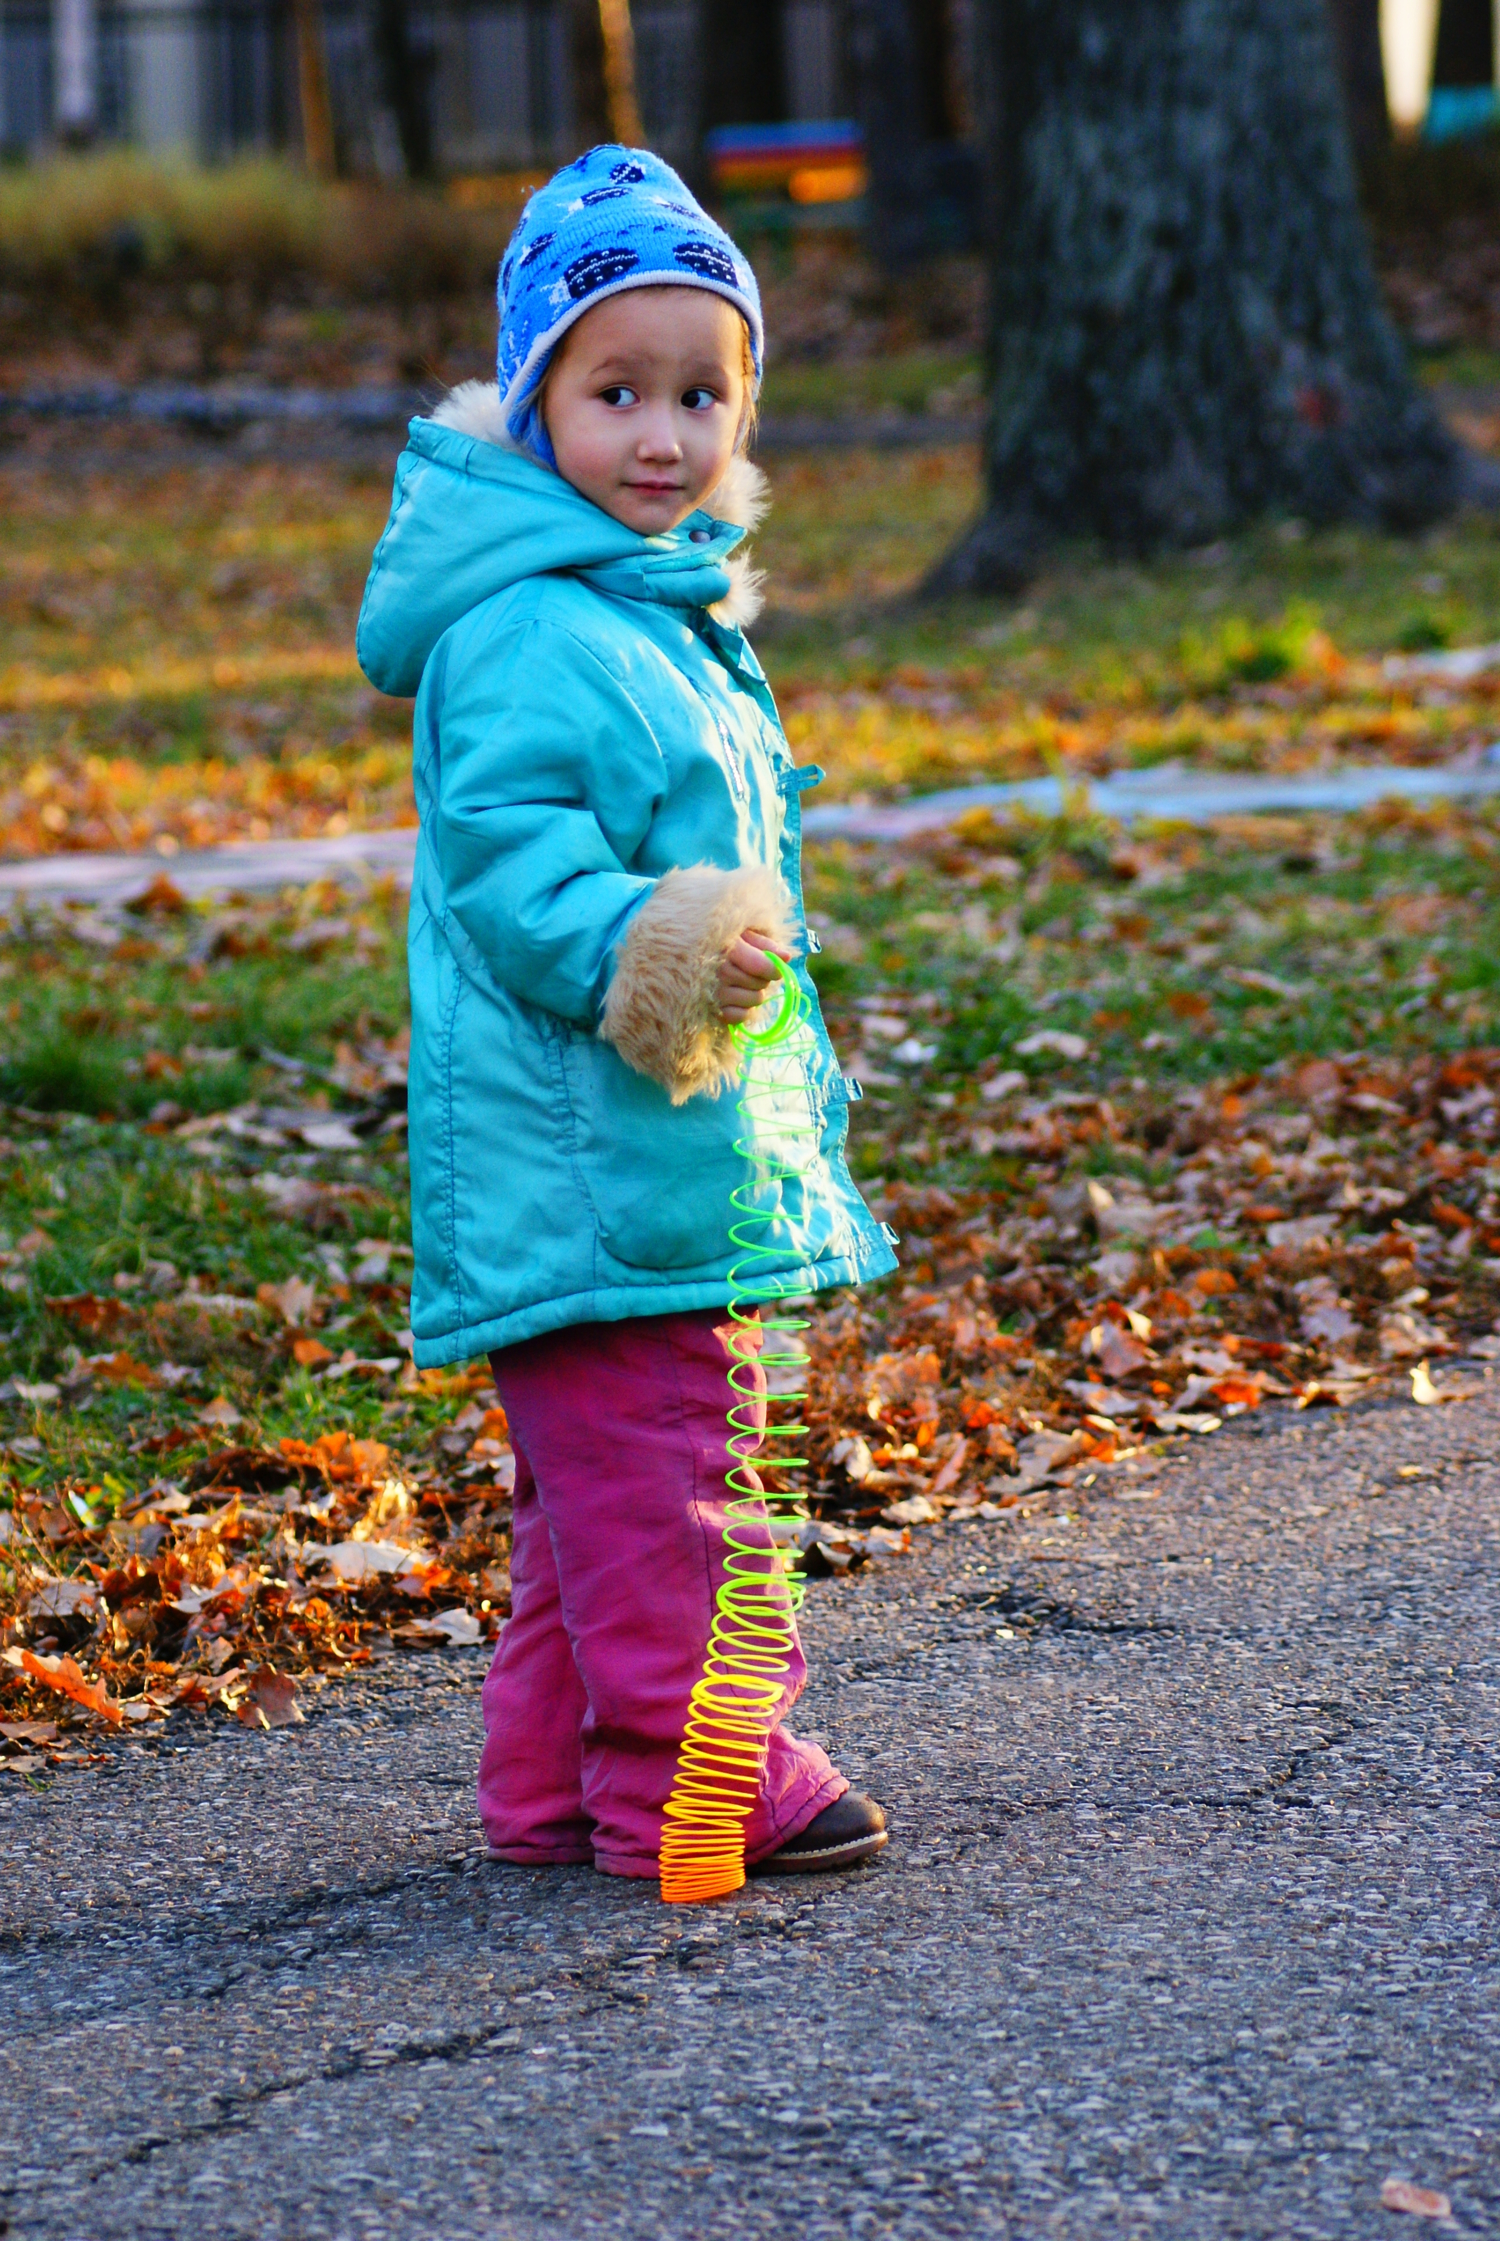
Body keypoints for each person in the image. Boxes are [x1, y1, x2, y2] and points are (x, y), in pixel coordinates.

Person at [357, 147, 896, 1883]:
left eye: (699, 394)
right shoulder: (529, 629)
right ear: (536, 406)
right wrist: (656, 942)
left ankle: (549, 1788)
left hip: (657, 1148)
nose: (660, 436)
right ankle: (701, 1775)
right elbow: (513, 868)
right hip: (595, 1156)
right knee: (686, 1493)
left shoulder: (651, 609)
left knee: (588, 1509)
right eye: (615, 393)